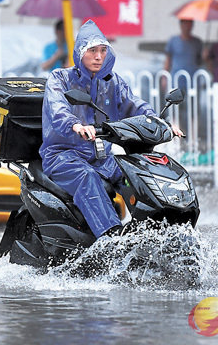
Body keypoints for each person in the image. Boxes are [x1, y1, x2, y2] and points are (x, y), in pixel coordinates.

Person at [39, 20, 183, 238]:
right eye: (93, 51)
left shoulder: (112, 81)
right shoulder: (60, 78)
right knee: (87, 178)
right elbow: (57, 108)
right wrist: (75, 125)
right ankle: (110, 239)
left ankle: (158, 232)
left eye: (103, 50)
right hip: (63, 156)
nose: (99, 56)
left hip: (100, 156)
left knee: (135, 173)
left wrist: (160, 122)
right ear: (80, 52)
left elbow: (134, 105)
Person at [164, 19, 203, 129]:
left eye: (190, 24)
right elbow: (168, 60)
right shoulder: (173, 41)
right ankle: (176, 137)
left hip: (192, 82)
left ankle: (193, 138)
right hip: (176, 81)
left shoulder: (197, 42)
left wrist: (204, 56)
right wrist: (164, 76)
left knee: (193, 110)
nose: (187, 26)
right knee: (175, 110)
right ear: (181, 25)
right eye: (185, 24)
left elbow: (199, 61)